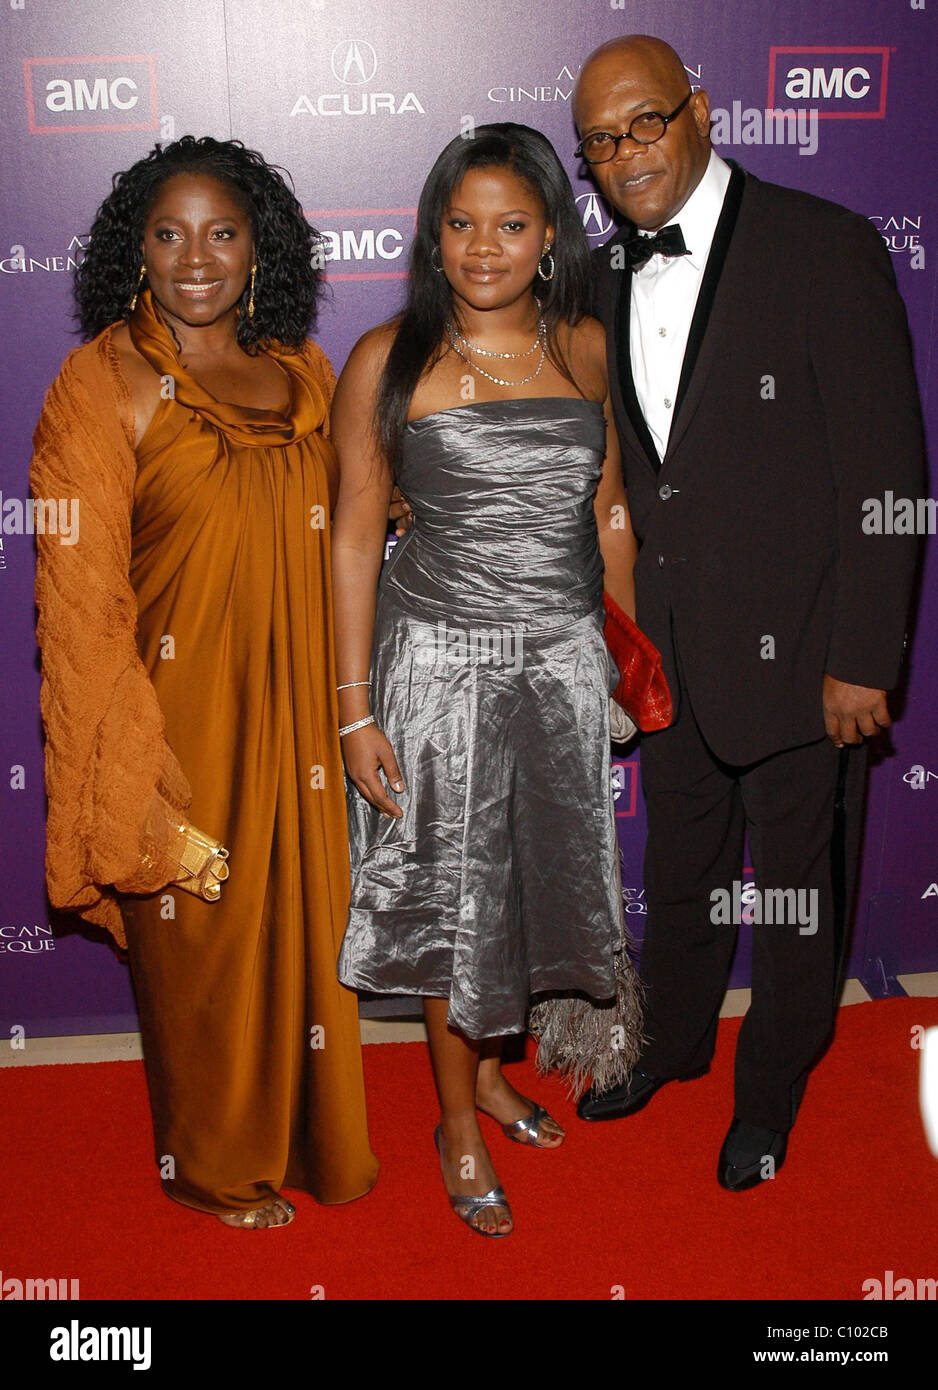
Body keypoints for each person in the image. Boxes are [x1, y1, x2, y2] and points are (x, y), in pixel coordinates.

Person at [572, 36, 925, 1189]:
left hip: (807, 657)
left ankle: (769, 1088)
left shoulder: (822, 245)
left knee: (791, 896)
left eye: (642, 123)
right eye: (598, 142)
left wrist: (864, 658)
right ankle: (670, 1043)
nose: (623, 155)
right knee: (677, 871)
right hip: (668, 657)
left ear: (700, 112)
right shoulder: (600, 278)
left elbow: (886, 469)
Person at [30, 135, 378, 1227]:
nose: (195, 257)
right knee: (206, 953)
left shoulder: (304, 372)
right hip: (175, 728)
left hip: (304, 717)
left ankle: (311, 1141)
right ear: (135, 248)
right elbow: (79, 613)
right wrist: (135, 792)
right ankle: (213, 1167)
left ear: (257, 246)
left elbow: (364, 527)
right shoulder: (98, 386)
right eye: (169, 232)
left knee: (305, 941)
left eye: (222, 232)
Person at [330, 123, 643, 1237]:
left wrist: (624, 652)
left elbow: (604, 513)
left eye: (509, 224)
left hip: (557, 667)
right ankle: (453, 1121)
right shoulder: (388, 360)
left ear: (549, 234)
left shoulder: (587, 348)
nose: (480, 246)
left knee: (526, 891)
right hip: (437, 675)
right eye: (458, 223)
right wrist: (353, 710)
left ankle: (493, 1076)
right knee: (452, 904)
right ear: (432, 233)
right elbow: (352, 538)